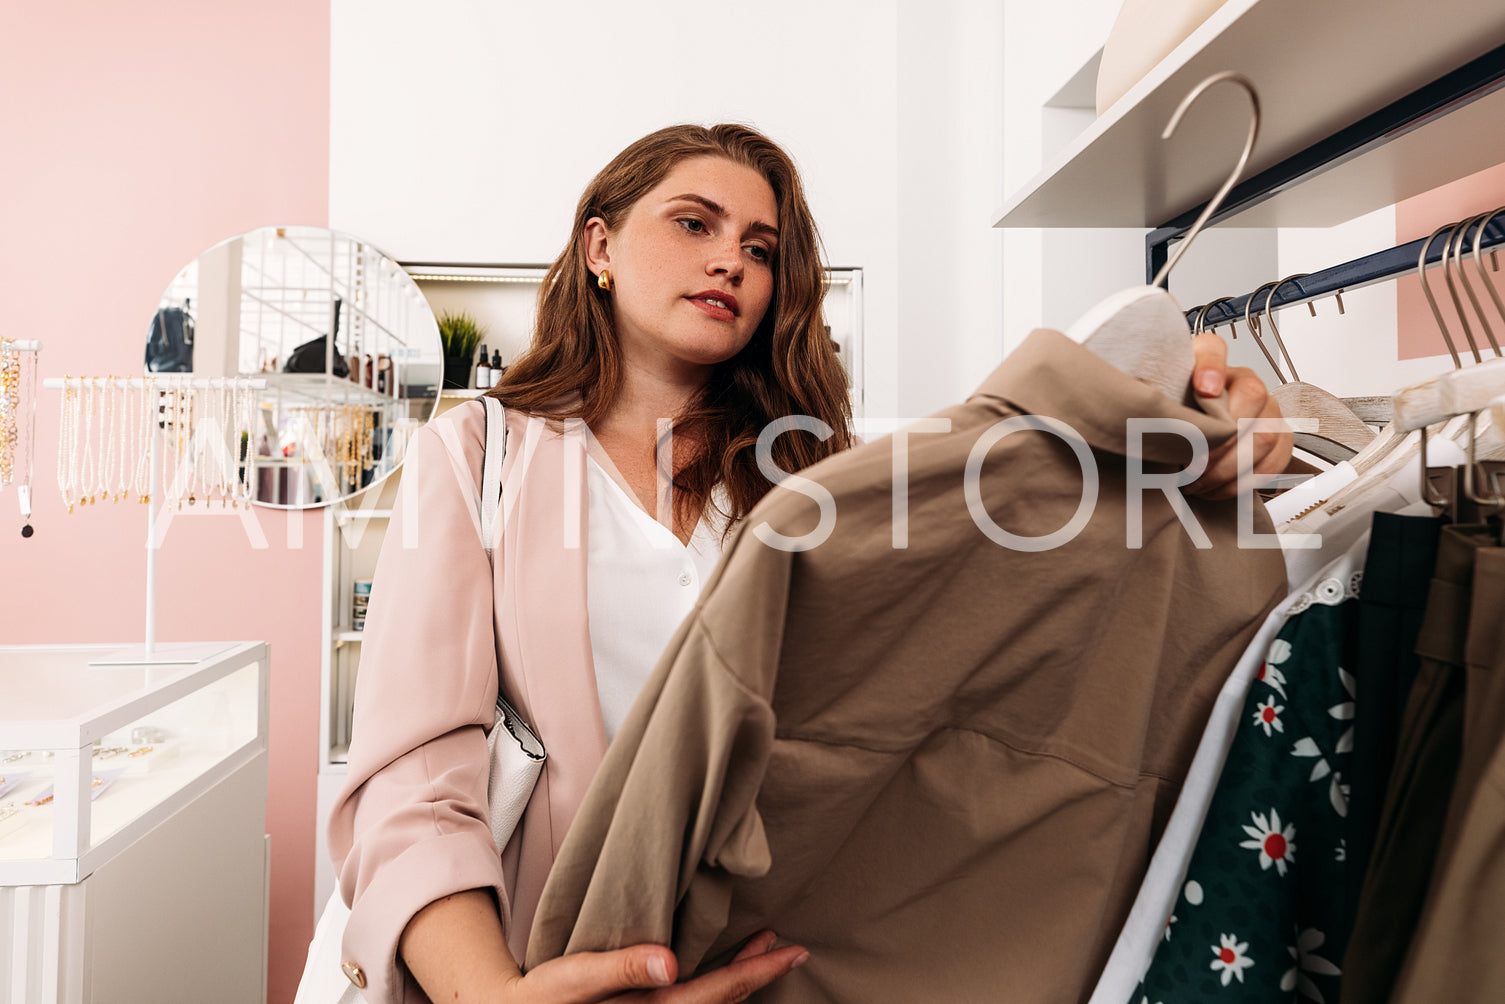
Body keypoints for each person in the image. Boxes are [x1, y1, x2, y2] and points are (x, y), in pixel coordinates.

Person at [327, 122, 1292, 1004]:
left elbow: (990, 607)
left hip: (777, 956)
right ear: (600, 249)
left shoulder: (817, 477)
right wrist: (485, 995)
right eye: (694, 223)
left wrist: (1184, 439)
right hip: (558, 955)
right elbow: (416, 772)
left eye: (760, 249)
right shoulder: (480, 455)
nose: (729, 262)